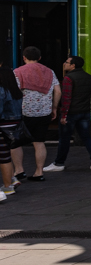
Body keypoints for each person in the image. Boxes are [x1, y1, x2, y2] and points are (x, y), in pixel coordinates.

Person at [43, 56, 91, 172]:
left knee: (64, 138)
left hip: (71, 113)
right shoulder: (89, 77)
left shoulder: (69, 78)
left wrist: (63, 115)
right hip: (85, 112)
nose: (64, 63)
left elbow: (66, 98)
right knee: (86, 136)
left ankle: (59, 163)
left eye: (67, 62)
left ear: (73, 65)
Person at [12, 47, 60, 183]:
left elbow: (14, 92)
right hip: (44, 112)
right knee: (39, 142)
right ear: (39, 58)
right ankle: (39, 172)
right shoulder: (50, 72)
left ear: (24, 58)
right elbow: (58, 91)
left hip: (25, 112)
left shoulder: (17, 72)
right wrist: (54, 108)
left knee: (15, 143)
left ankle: (19, 170)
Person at [0, 64, 22, 198]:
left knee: (4, 158)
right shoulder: (16, 91)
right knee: (6, 155)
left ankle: (8, 186)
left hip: (3, 127)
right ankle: (12, 180)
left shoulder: (2, 90)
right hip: (14, 127)